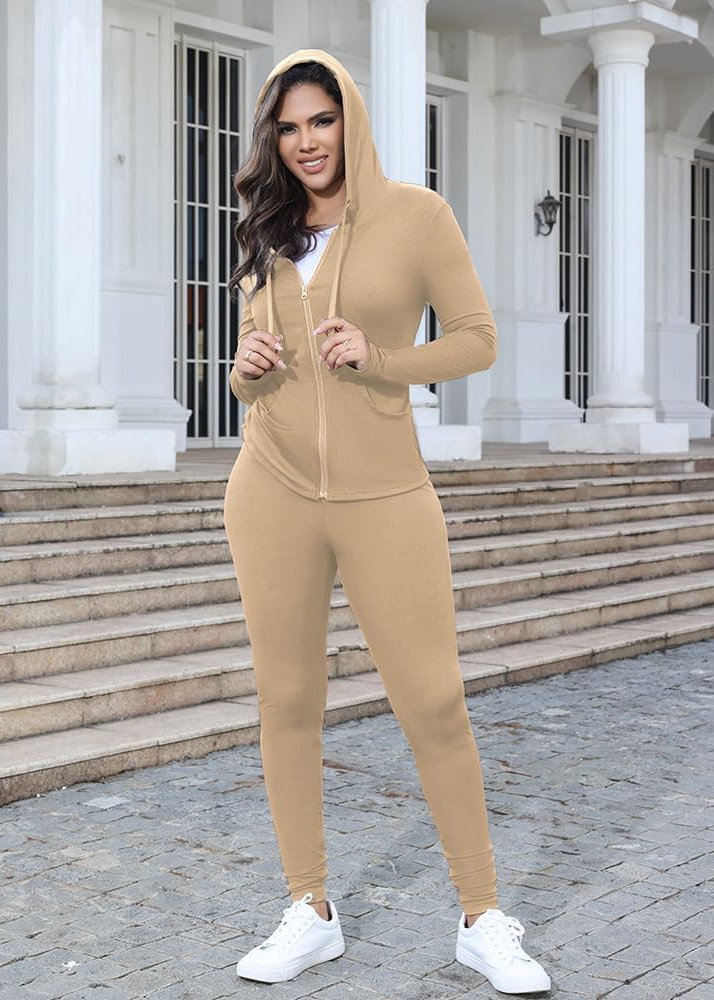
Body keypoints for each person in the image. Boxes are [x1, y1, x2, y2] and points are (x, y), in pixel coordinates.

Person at [223, 48, 551, 995]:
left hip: (387, 495)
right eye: (289, 127)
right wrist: (244, 372)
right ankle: (310, 909)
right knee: (287, 701)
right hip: (271, 491)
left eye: (321, 120)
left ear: (350, 119)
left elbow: (478, 340)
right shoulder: (268, 230)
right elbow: (252, 370)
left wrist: (381, 358)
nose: (307, 142)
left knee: (434, 701)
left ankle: (482, 917)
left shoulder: (417, 215)